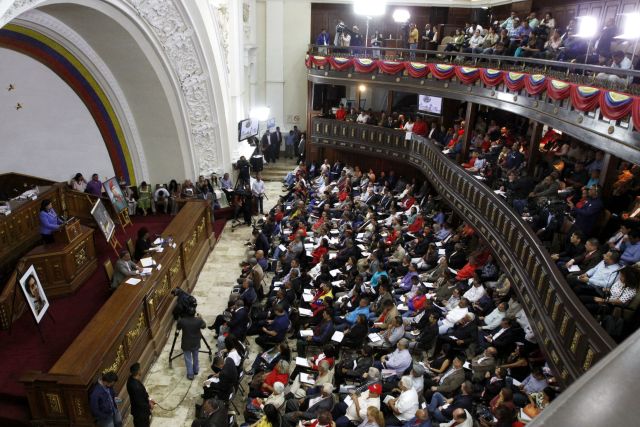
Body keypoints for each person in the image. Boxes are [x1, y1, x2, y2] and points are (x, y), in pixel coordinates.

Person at [176, 306, 206, 380]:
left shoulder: (182, 321)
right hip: (196, 342)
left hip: (186, 343)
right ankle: (195, 370)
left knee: (188, 359)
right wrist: (201, 318)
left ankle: (190, 374)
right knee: (195, 357)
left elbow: (178, 327)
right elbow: (204, 326)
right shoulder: (198, 320)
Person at [126, 362, 155, 427]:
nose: (141, 370)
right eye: (140, 369)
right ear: (138, 371)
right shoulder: (136, 387)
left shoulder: (131, 379)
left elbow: (143, 394)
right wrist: (150, 406)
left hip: (138, 411)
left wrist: (149, 399)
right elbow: (140, 403)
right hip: (140, 414)